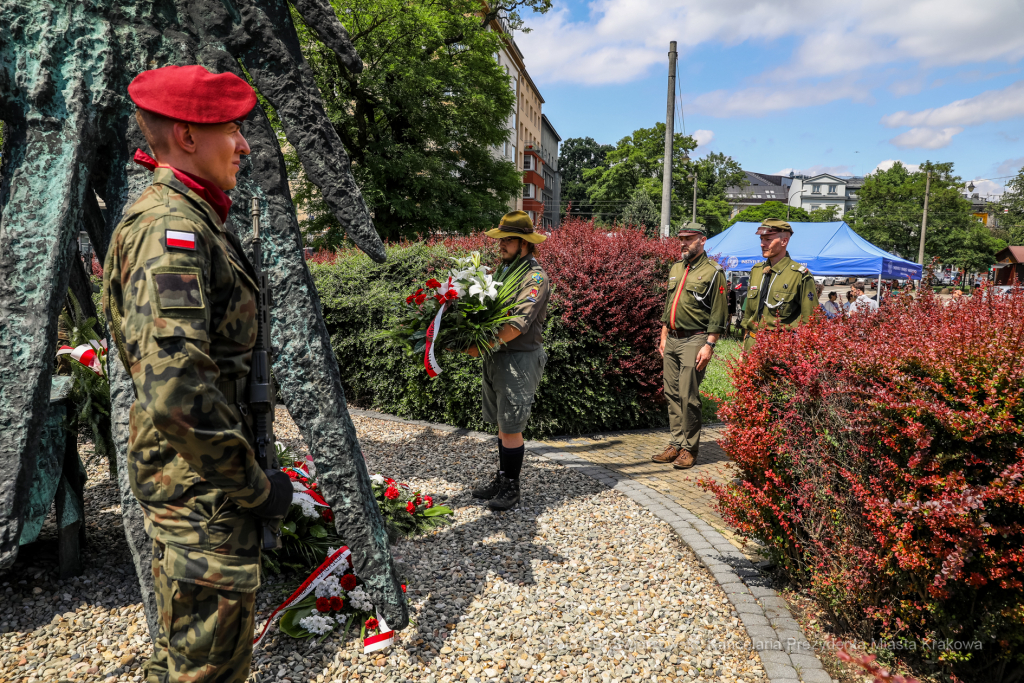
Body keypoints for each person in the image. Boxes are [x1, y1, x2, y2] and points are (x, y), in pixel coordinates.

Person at [103, 65, 294, 683]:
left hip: (198, 485)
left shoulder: (190, 217)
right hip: (205, 493)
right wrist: (257, 488)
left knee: (184, 660)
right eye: (231, 130)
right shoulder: (170, 230)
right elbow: (176, 388)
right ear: (187, 135)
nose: (244, 145)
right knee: (208, 669)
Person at [467, 211, 550, 511]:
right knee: (503, 424)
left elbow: (517, 325)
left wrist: (481, 345)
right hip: (498, 356)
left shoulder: (534, 277)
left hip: (519, 359)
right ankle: (503, 478)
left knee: (512, 425)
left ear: (524, 243)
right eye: (499, 239)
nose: (500, 244)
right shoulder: (504, 271)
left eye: (507, 240)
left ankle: (512, 489)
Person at [651, 222, 728, 469]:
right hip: (672, 338)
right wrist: (663, 334)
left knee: (688, 395)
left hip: (695, 339)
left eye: (689, 238)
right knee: (671, 393)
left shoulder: (714, 271)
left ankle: (689, 448)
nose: (683, 243)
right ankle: (676, 443)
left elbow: (719, 313)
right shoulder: (676, 268)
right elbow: (668, 306)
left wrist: (710, 344)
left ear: (702, 240)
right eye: (681, 238)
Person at [739, 219, 816, 350]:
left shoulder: (799, 275)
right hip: (751, 346)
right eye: (761, 239)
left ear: (784, 241)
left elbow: (811, 321)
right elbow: (748, 316)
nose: (762, 244)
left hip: (780, 348)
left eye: (768, 239)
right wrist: (743, 350)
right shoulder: (757, 271)